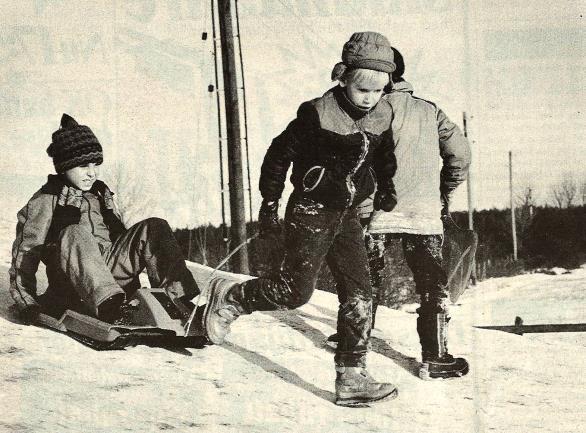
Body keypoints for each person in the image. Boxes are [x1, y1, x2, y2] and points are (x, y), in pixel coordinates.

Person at [200, 32, 399, 406]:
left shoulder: (383, 113)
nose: (370, 98)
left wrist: (386, 186)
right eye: (362, 89)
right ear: (343, 78)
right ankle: (234, 298)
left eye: (378, 90)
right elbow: (279, 154)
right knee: (295, 292)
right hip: (311, 210)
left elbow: (384, 155)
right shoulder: (317, 113)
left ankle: (351, 377)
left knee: (361, 294)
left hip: (348, 214)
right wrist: (270, 201)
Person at [329, 47, 472, 380]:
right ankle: (435, 358)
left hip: (376, 210)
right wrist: (443, 193)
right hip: (424, 213)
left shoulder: (368, 109)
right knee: (431, 284)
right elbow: (461, 156)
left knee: (364, 279)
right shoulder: (430, 111)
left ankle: (353, 344)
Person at [9, 113, 199, 324]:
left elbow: (121, 242)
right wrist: (26, 302)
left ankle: (177, 301)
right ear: (64, 166)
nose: (92, 173)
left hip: (109, 269)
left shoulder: (101, 195)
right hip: (72, 279)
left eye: (95, 164)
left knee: (155, 226)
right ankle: (110, 306)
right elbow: (25, 255)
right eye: (83, 166)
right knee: (74, 231)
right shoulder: (46, 199)